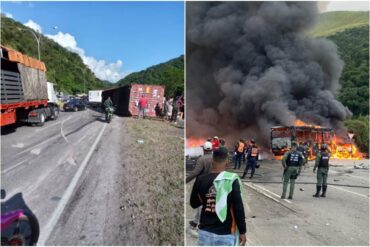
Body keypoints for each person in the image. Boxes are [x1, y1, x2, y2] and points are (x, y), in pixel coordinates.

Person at [190, 147, 247, 246]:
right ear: (227, 161)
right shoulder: (231, 180)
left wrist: (208, 199)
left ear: (212, 160)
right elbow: (238, 208)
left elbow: (194, 203)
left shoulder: (200, 180)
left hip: (204, 233)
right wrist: (242, 231)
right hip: (225, 234)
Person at [186, 141, 213, 229]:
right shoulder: (215, 158)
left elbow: (195, 172)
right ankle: (196, 221)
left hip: (202, 184)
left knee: (200, 203)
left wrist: (186, 180)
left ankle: (200, 223)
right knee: (209, 203)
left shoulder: (202, 159)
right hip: (213, 184)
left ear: (204, 149)